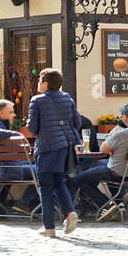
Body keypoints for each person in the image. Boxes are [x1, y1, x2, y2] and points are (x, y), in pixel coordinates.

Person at [73, 102, 128, 220]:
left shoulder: (120, 134)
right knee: (97, 168)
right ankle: (115, 202)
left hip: (116, 172)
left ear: (125, 117)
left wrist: (113, 149)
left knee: (80, 178)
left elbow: (103, 149)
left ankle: (108, 205)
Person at [27, 69, 82, 237]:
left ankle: (49, 227)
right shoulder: (67, 98)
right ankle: (69, 212)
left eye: (39, 81)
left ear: (45, 83)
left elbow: (32, 128)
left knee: (45, 186)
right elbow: (77, 122)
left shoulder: (37, 101)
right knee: (58, 182)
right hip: (65, 146)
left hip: (47, 147)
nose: (37, 84)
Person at [0, 99, 38, 213]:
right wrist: (16, 133)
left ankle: (30, 203)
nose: (14, 115)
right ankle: (25, 202)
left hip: (2, 167)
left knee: (40, 165)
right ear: (1, 114)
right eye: (11, 112)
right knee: (45, 170)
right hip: (3, 170)